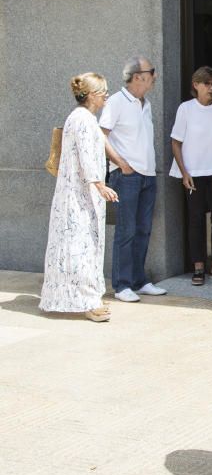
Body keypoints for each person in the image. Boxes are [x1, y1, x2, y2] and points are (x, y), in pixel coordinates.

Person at [40, 73, 119, 321]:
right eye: (104, 91)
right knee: (81, 247)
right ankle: (88, 302)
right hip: (80, 196)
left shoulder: (81, 117)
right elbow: (85, 155)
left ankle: (87, 297)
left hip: (78, 194)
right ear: (93, 95)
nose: (107, 95)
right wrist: (99, 185)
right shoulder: (83, 119)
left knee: (78, 246)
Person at [101, 55, 167, 302]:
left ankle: (139, 281)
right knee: (126, 231)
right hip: (126, 176)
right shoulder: (117, 102)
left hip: (148, 175)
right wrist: (121, 164)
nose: (155, 75)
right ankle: (122, 285)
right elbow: (101, 135)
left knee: (143, 230)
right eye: (152, 71)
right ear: (138, 77)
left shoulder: (145, 103)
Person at [169, 66, 212, 285]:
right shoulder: (185, 109)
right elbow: (176, 142)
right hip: (193, 173)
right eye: (207, 83)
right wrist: (184, 172)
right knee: (195, 219)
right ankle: (198, 266)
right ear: (195, 85)